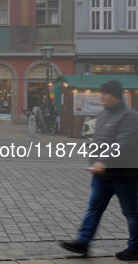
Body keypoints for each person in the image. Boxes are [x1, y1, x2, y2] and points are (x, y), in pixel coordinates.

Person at [59, 80, 138, 260]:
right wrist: (94, 161)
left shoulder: (129, 116)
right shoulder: (103, 114)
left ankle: (135, 247)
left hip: (124, 175)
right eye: (101, 93)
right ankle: (83, 243)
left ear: (115, 96)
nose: (101, 96)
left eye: (105, 93)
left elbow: (124, 143)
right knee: (94, 208)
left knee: (131, 213)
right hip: (102, 175)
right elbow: (98, 140)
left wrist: (102, 161)